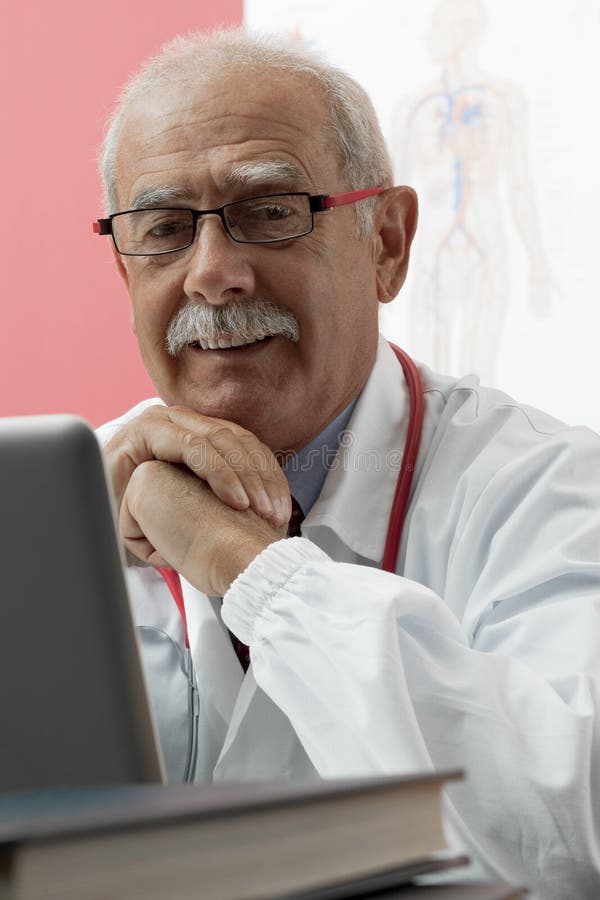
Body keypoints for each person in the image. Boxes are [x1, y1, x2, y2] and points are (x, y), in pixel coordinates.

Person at [94, 29, 600, 897]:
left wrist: (248, 568)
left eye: (270, 212)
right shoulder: (69, 512)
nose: (213, 274)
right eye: (165, 230)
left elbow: (570, 833)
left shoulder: (547, 492)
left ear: (388, 243)